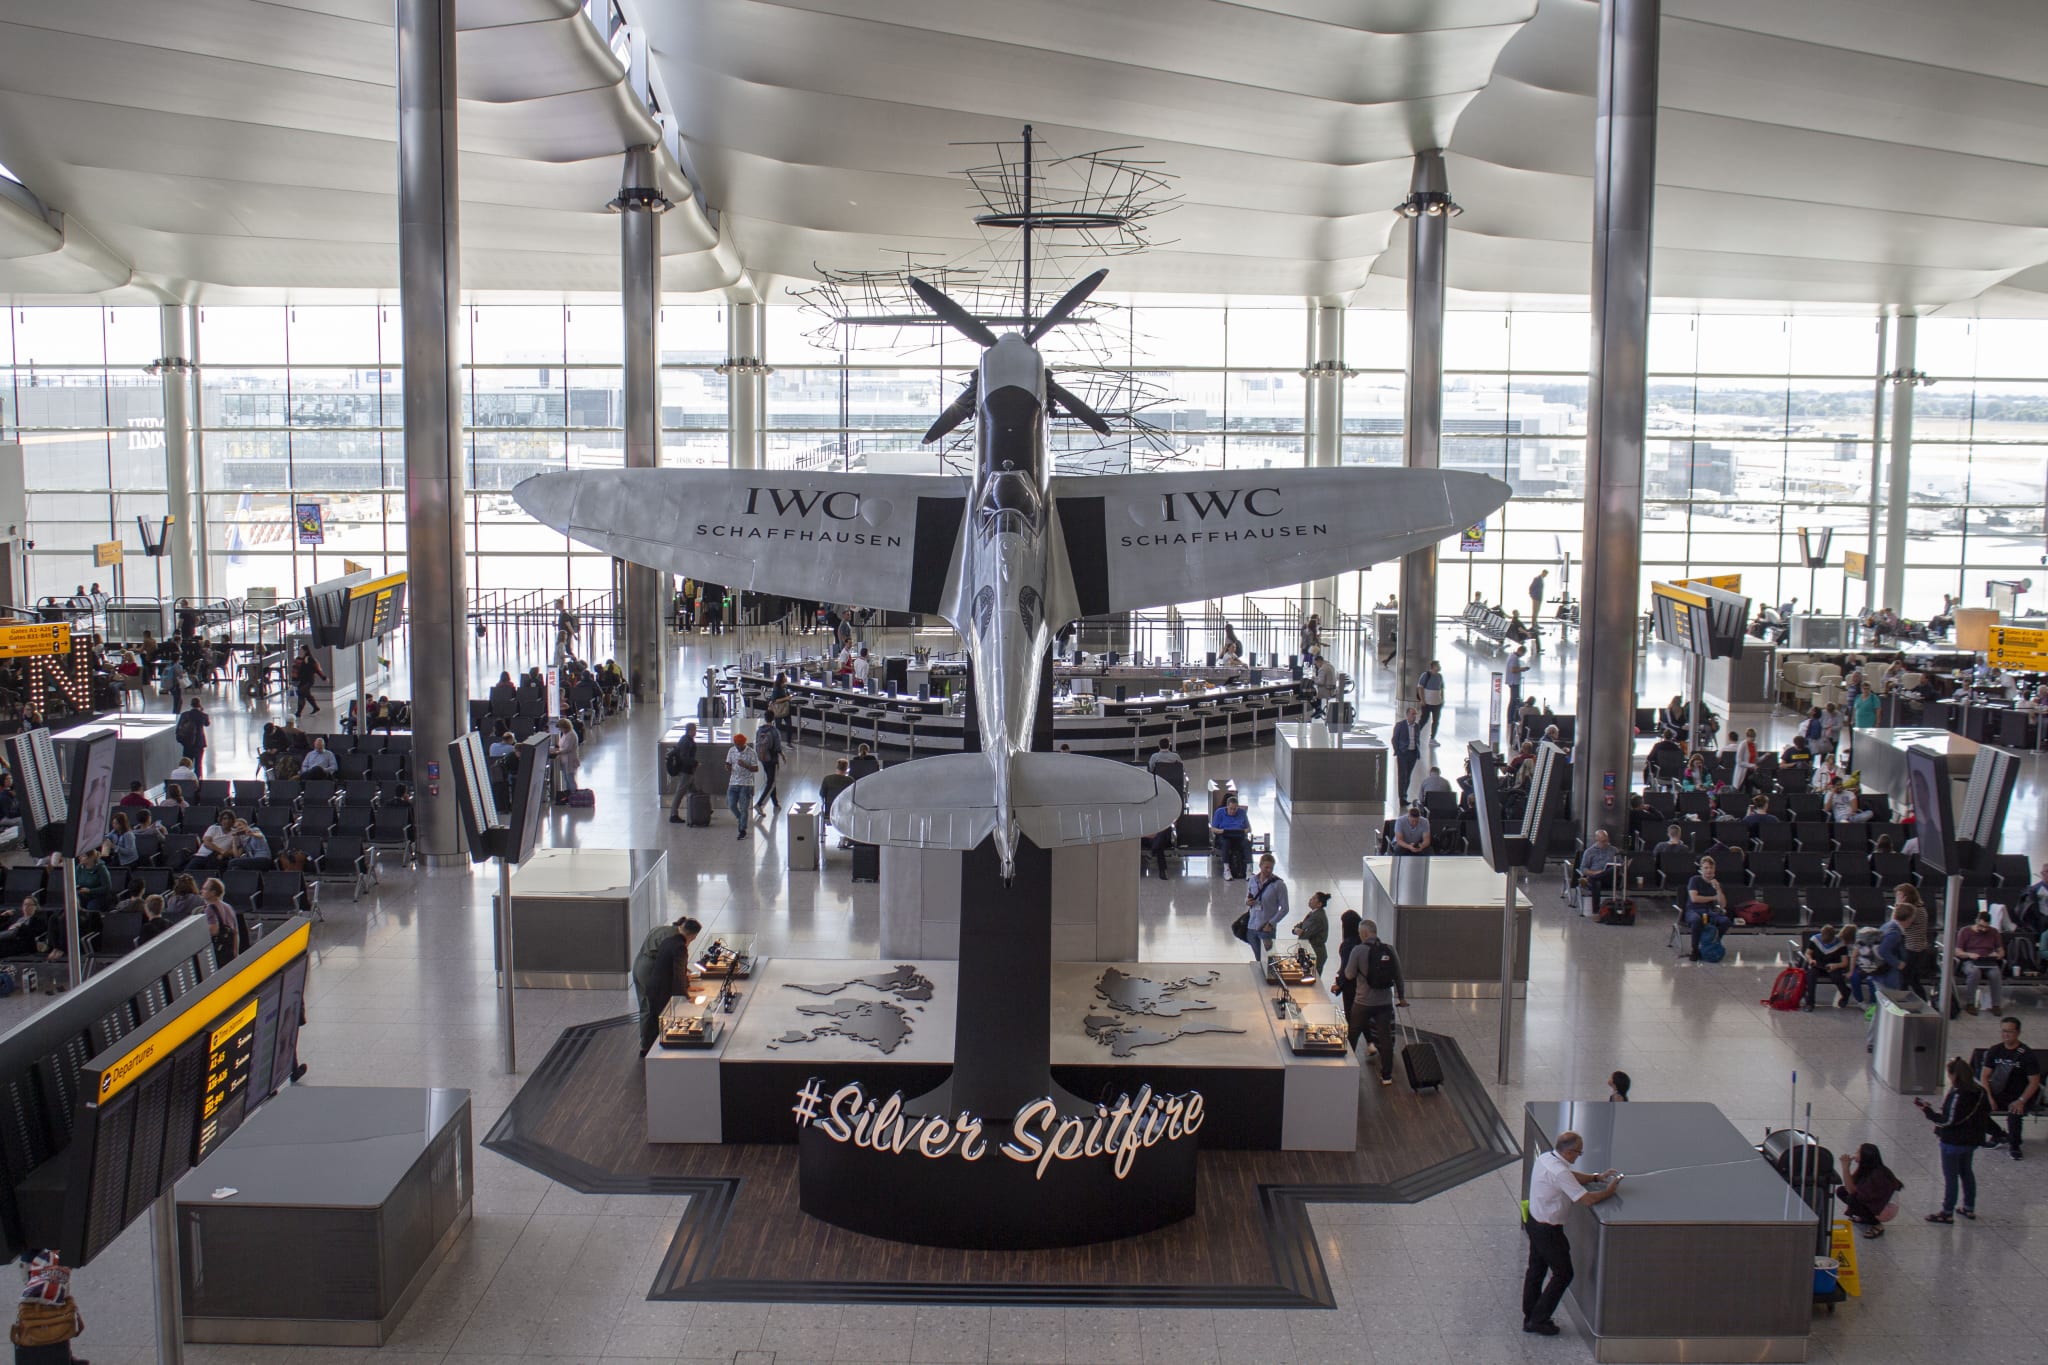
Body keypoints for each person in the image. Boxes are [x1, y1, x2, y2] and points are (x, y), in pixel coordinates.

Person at [1522, 1132, 1623, 1336]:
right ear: (1568, 1151)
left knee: (1536, 1270)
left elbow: (1571, 1176)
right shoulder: (1559, 1172)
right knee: (1564, 1273)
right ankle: (1539, 1320)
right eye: (1578, 1152)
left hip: (1534, 1221)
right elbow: (1586, 1200)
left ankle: (1530, 1314)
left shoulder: (1546, 1158)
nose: (1579, 1156)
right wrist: (1610, 1190)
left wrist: (1596, 1177)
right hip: (1548, 1230)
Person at [1918, 1057, 1992, 1223]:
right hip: (1972, 1140)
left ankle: (1947, 1211)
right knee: (1966, 1172)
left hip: (1953, 1141)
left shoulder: (1959, 1093)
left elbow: (1947, 1120)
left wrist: (1927, 1111)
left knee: (1951, 1177)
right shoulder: (1980, 1091)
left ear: (1954, 1074)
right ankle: (1969, 1207)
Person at [1336, 918, 1407, 1084]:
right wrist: (1401, 997)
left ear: (1364, 933)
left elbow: (1349, 974)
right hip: (1384, 1002)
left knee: (1352, 1035)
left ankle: (1347, 1069)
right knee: (1385, 1038)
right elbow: (1398, 975)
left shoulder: (1358, 950)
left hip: (1363, 1002)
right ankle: (1387, 1076)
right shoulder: (1389, 949)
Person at [633, 916, 703, 1054]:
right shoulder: (676, 940)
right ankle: (648, 1045)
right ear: (692, 935)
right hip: (648, 969)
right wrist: (685, 990)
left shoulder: (664, 929)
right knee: (650, 1006)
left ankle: (646, 1042)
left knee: (644, 1004)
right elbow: (674, 968)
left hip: (639, 964)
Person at [1979, 1017, 2042, 1161]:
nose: (2006, 1035)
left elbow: (2034, 1082)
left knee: (2014, 1113)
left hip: (2021, 1094)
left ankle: (2015, 1145)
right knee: (1977, 1109)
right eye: (2003, 1031)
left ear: (2018, 1033)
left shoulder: (2027, 1055)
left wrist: (2021, 1100)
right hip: (1999, 1093)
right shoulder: (1995, 1050)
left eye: (2010, 1032)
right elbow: (1984, 1076)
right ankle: (1998, 1134)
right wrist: (1989, 1097)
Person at [1837, 1144, 1903, 1238]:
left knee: (1853, 1199)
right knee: (1841, 1191)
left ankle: (1876, 1224)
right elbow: (1851, 1185)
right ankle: (1866, 1218)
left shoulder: (1878, 1174)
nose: (1855, 1153)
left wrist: (1845, 1168)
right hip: (1876, 1202)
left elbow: (1852, 1190)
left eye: (1858, 1152)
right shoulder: (1866, 1169)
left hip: (1885, 1209)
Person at [1683, 855, 1728, 962]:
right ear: (1701, 869)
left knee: (1725, 921)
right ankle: (1695, 949)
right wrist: (1713, 897)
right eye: (1706, 868)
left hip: (1709, 911)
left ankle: (1713, 942)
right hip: (1693, 910)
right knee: (1696, 920)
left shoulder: (1716, 884)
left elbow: (1723, 905)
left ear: (1714, 870)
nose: (1709, 870)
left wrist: (1718, 890)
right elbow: (1694, 898)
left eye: (1711, 868)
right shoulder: (1694, 880)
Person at [1243, 853, 1287, 962]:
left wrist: (1271, 923)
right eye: (1266, 867)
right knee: (1258, 959)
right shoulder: (1253, 880)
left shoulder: (1278, 884)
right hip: (1252, 926)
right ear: (1260, 865)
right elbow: (1248, 896)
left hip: (1266, 928)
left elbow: (1285, 908)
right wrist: (1248, 902)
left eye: (1271, 868)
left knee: (1268, 960)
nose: (1269, 870)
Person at [1804, 923, 1853, 1010]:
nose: (1825, 942)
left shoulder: (1840, 944)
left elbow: (1845, 962)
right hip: (1817, 965)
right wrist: (1811, 960)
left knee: (1836, 977)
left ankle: (1845, 993)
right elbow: (1808, 953)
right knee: (1811, 976)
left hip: (1833, 966)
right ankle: (1810, 1003)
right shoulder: (1815, 939)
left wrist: (1836, 965)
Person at [1895, 885, 1932, 999]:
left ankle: (1902, 1004)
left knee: (1904, 980)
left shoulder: (1911, 910)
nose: (1897, 897)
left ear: (1905, 897)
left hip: (1912, 950)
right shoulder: (1919, 907)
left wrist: (1898, 906)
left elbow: (1896, 924)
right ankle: (1923, 1001)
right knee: (1914, 979)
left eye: (1899, 895)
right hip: (1919, 948)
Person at [725, 731, 759, 839]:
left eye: (739, 745)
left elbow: (756, 768)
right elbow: (728, 763)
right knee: (731, 804)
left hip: (746, 783)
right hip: (733, 782)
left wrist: (746, 765)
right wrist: (728, 767)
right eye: (736, 744)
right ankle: (740, 818)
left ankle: (742, 829)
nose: (737, 747)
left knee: (744, 808)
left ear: (744, 744)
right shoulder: (731, 750)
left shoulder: (751, 752)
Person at [1210, 796, 1252, 880]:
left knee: (1246, 843)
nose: (1233, 811)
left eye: (1235, 809)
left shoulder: (1242, 812)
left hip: (1238, 835)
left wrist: (1243, 831)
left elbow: (1249, 828)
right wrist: (1221, 831)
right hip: (1224, 835)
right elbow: (1213, 828)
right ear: (1227, 806)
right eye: (1231, 809)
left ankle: (1249, 870)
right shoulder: (1219, 812)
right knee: (1226, 843)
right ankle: (1226, 870)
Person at [666, 722, 701, 823]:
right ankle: (673, 814)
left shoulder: (685, 739)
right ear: (691, 730)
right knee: (680, 792)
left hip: (687, 771)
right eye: (694, 730)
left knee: (694, 791)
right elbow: (684, 757)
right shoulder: (686, 742)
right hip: (686, 771)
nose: (695, 732)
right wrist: (695, 763)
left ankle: (702, 808)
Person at [1576, 829, 1620, 908]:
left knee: (1613, 869)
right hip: (1596, 877)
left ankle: (1594, 877)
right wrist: (1594, 873)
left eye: (1606, 840)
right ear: (1597, 840)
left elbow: (1621, 864)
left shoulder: (1614, 850)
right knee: (1596, 881)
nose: (1605, 843)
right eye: (1602, 841)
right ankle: (1596, 909)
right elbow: (1583, 868)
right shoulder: (1589, 852)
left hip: (1610, 879)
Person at [1292, 891, 1331, 978]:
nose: (1310, 900)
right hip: (1309, 951)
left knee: (1311, 977)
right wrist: (1296, 929)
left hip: (1315, 953)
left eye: (1313, 899)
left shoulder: (1318, 917)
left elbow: (1305, 934)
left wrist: (1299, 931)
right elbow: (1301, 925)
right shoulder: (1313, 913)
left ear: (1319, 904)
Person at [201, 877, 240, 961]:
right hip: (230, 951)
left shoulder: (210, 908)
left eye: (205, 889)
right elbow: (235, 932)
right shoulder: (228, 907)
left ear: (213, 893)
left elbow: (214, 930)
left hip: (217, 953)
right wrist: (235, 953)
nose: (201, 891)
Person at [752, 721, 784, 817]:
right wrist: (782, 755)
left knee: (771, 779)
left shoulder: (759, 730)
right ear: (773, 718)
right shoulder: (774, 731)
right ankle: (759, 804)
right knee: (770, 782)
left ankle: (775, 803)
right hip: (772, 758)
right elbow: (777, 746)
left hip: (763, 758)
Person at [1391, 706, 1422, 804]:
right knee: (1402, 776)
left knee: (1408, 776)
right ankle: (1402, 798)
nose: (1414, 716)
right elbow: (1394, 739)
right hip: (1403, 754)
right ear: (1407, 715)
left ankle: (1405, 795)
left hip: (1413, 754)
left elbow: (1417, 739)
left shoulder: (1417, 726)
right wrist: (1398, 751)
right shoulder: (1400, 725)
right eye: (1413, 714)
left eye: (1415, 714)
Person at [175, 697, 209, 778]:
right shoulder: (203, 715)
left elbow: (178, 728)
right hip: (199, 743)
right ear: (199, 704)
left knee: (186, 765)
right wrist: (201, 710)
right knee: (198, 765)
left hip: (187, 743)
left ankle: (185, 780)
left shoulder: (184, 715)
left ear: (191, 704)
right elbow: (207, 724)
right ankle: (198, 782)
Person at [1413, 659, 1446, 740]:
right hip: (1427, 703)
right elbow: (1420, 688)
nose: (1439, 667)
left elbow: (1441, 688)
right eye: (1438, 665)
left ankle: (1432, 738)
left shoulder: (1439, 676)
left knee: (1436, 721)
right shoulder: (1426, 675)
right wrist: (1422, 700)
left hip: (1437, 703)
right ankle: (1415, 734)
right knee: (1424, 719)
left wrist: (1442, 699)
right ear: (1433, 667)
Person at [291, 645, 326, 717]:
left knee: (301, 693)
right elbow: (295, 670)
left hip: (308, 680)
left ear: (305, 651)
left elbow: (316, 669)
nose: (300, 651)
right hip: (301, 681)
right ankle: (315, 708)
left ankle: (298, 712)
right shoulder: (299, 659)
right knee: (306, 695)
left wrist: (323, 677)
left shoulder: (309, 659)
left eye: (301, 650)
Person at [551, 718, 581, 802]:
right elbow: (561, 745)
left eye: (561, 728)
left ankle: (574, 796)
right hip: (564, 760)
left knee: (570, 779)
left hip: (570, 760)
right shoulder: (565, 734)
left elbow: (567, 748)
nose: (560, 730)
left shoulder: (571, 735)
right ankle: (569, 795)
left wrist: (557, 752)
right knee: (566, 779)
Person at [1310, 651, 1338, 721]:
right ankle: (1318, 710)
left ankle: (1318, 709)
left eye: (1316, 664)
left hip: (1326, 690)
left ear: (1319, 661)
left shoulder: (1322, 669)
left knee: (1310, 695)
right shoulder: (1330, 665)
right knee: (1315, 693)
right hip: (1333, 688)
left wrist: (1313, 680)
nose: (1316, 665)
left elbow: (1321, 682)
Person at [1505, 646, 1527, 718]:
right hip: (1514, 682)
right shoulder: (1514, 658)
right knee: (1514, 700)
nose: (1523, 655)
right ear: (1520, 651)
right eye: (1523, 653)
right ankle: (1511, 717)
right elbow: (1513, 670)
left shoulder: (1512, 656)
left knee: (1515, 700)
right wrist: (1522, 669)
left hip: (1513, 681)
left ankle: (1513, 716)